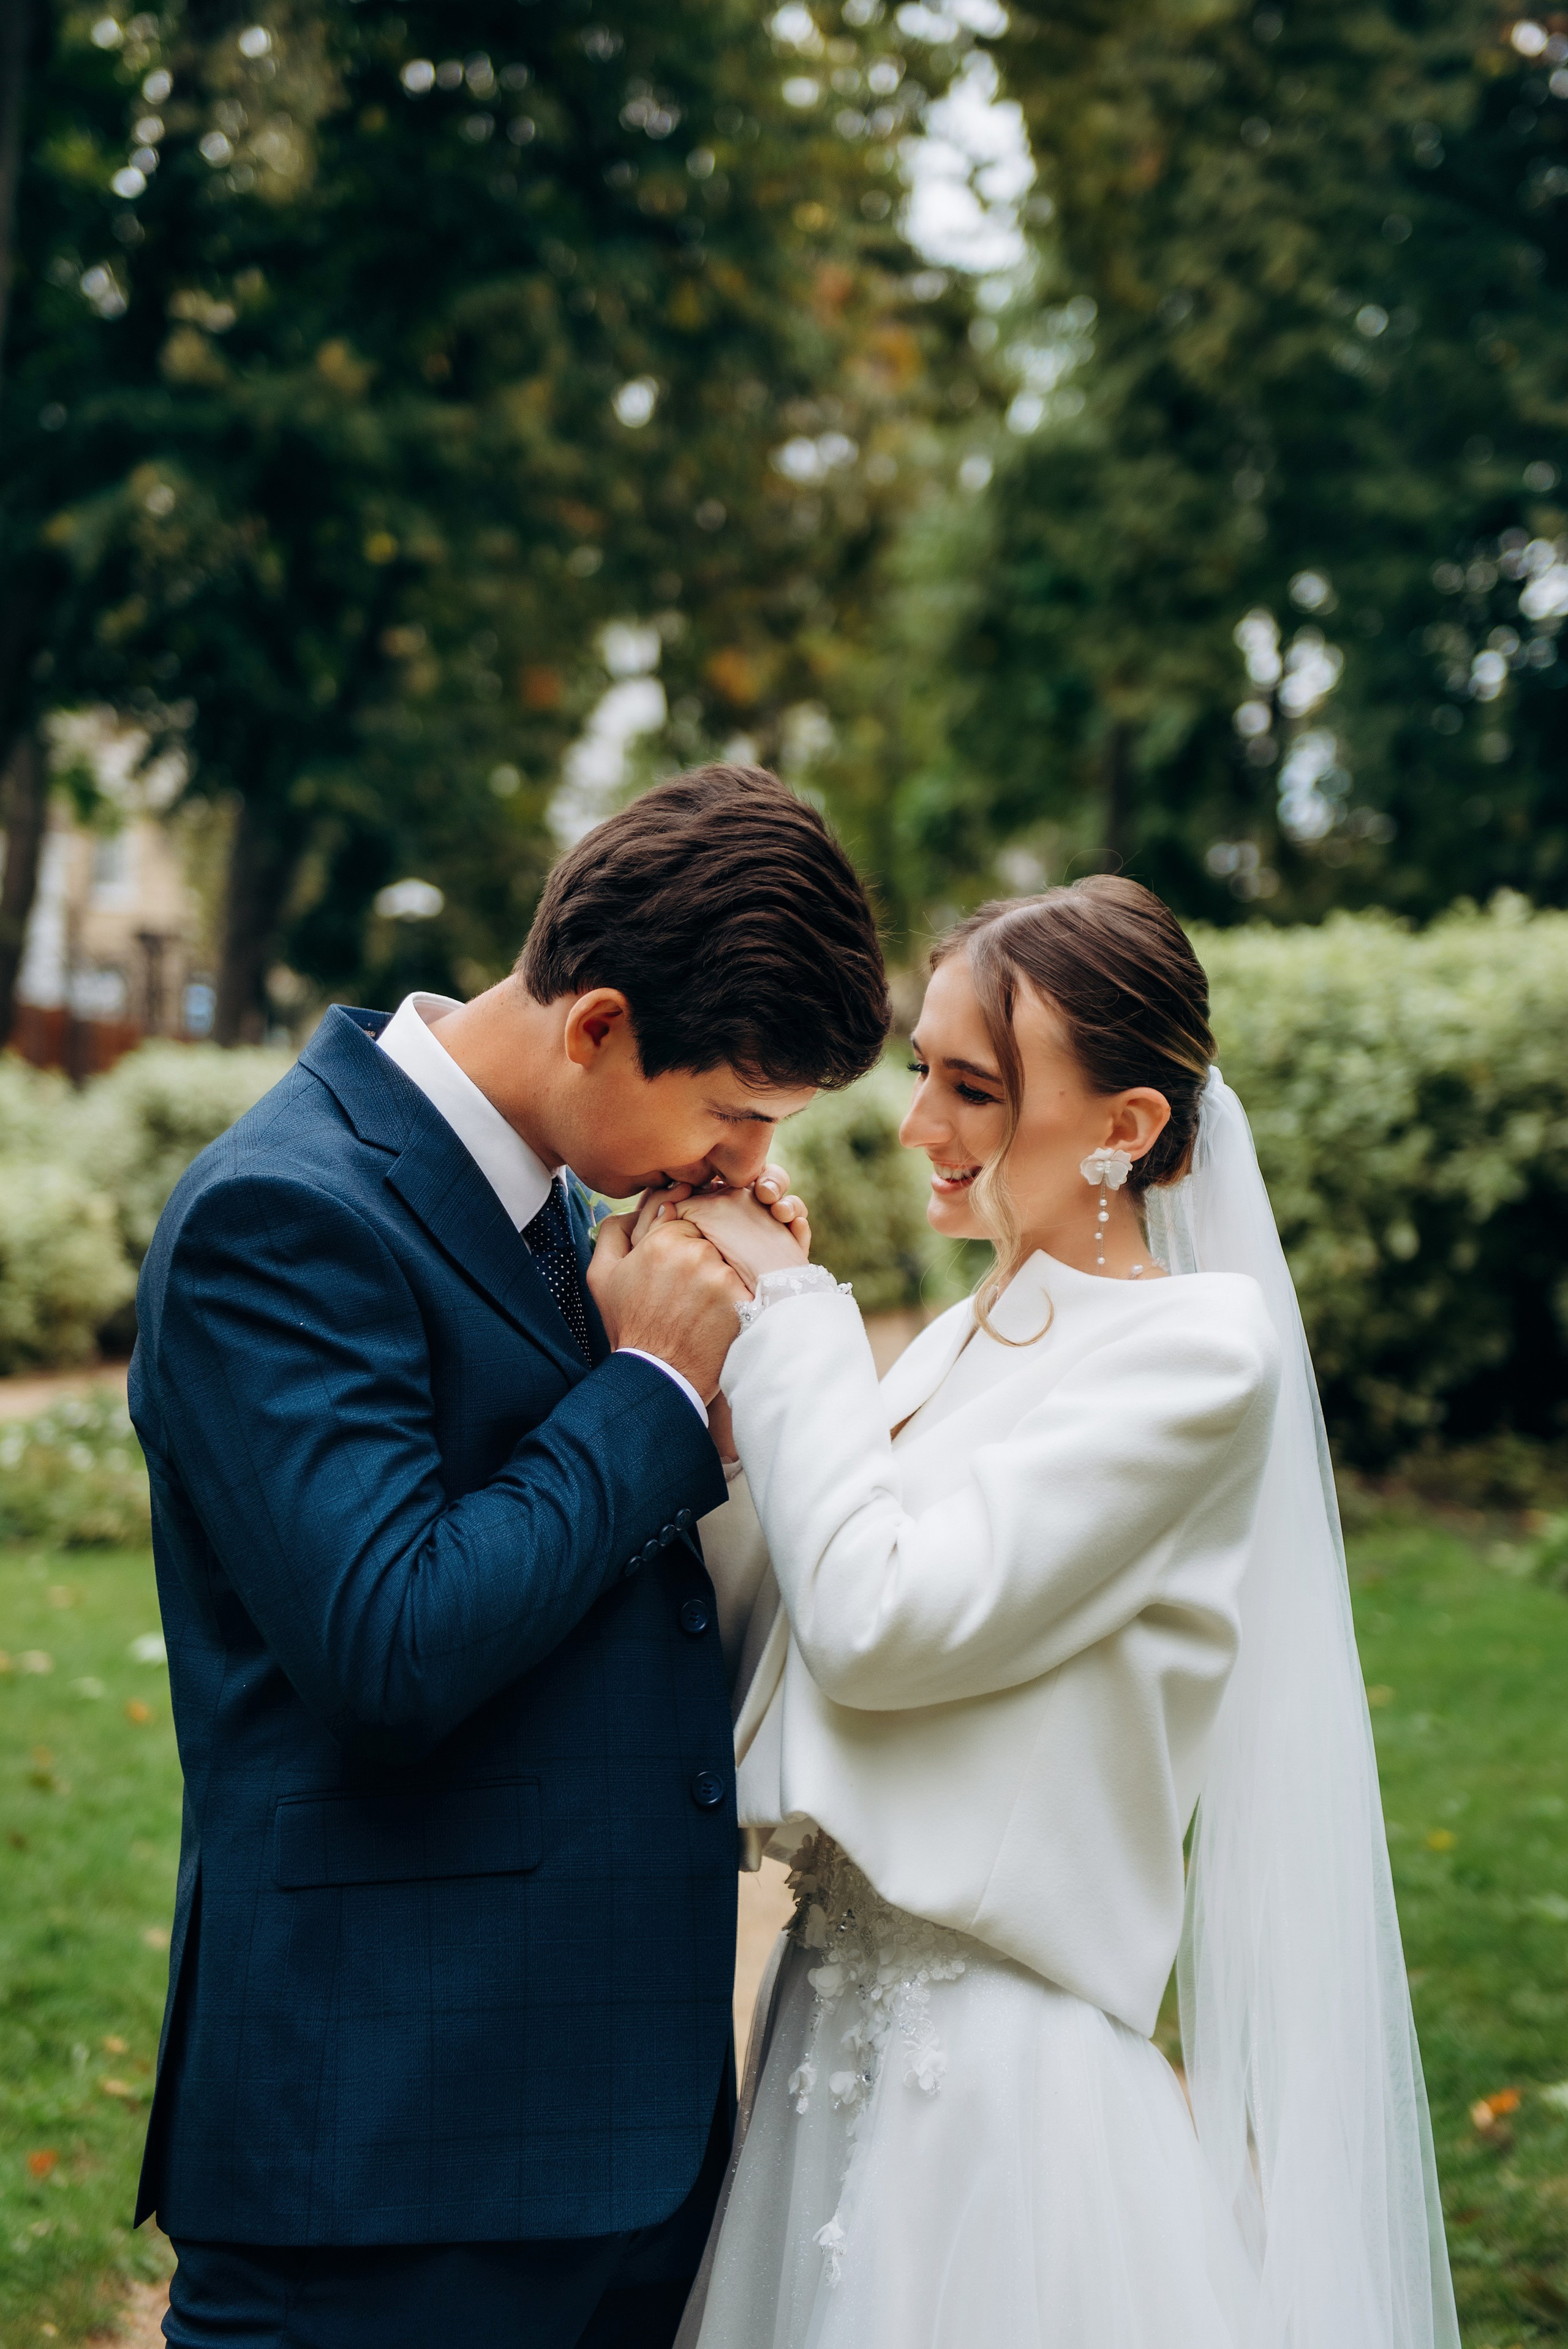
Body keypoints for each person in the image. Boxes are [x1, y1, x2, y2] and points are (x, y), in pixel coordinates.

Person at [127, 765, 890, 2349]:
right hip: (388, 2182)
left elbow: (625, 1611)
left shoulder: (574, 1215)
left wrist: (737, 1407)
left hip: (616, 2159)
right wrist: (652, 1390)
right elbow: (390, 1640)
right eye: (734, 1107)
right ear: (599, 1023)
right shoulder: (282, 1211)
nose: (743, 1156)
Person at [662, 877, 1459, 2349]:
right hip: (822, 2035)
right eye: (922, 1071)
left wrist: (792, 1321)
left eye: (974, 1085)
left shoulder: (1192, 1360)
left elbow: (886, 1625)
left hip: (991, 2085)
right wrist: (705, 1386)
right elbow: (784, 1633)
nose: (918, 1125)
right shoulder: (962, 1335)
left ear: (1123, 1128)